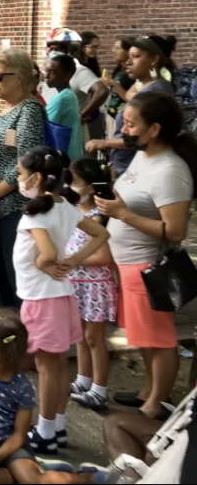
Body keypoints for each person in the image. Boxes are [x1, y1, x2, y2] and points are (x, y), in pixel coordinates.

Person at [95, 91, 197, 420]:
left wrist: (123, 215)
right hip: (128, 264)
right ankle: (147, 391)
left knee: (159, 338)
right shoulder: (144, 156)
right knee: (143, 337)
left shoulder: (171, 171)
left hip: (148, 267)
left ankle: (156, 402)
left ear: (154, 129)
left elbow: (176, 230)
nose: (124, 130)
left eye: (130, 124)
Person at [14, 146, 109, 454]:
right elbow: (100, 234)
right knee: (57, 368)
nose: (19, 179)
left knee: (46, 369)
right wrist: (75, 259)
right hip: (60, 296)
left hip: (42, 299)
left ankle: (44, 433)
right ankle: (56, 428)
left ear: (37, 177)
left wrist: (52, 262)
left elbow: (48, 254)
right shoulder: (67, 206)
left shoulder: (36, 213)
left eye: (21, 174)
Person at [0, 310, 93, 485]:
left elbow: (19, 434)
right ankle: (27, 473)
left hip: (12, 448)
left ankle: (85, 478)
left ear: (6, 349)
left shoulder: (22, 386)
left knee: (32, 480)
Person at [0, 48, 47, 308]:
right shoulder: (9, 109)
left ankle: (26, 341)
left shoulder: (29, 110)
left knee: (18, 282)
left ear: (21, 77)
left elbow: (25, 163)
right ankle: (10, 338)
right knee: (2, 280)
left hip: (15, 209)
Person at [63, 158, 118, 413]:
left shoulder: (96, 218)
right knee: (81, 338)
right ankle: (83, 381)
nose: (70, 187)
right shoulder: (76, 213)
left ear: (92, 187)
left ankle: (99, 390)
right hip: (78, 285)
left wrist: (71, 260)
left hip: (95, 287)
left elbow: (104, 257)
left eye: (75, 183)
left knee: (94, 339)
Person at [90, 34, 178, 176]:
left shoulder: (156, 92)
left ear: (154, 60)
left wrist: (106, 143)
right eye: (129, 56)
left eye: (136, 56)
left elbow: (145, 136)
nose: (128, 62)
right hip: (129, 170)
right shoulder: (145, 87)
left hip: (142, 173)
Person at [43, 29, 109, 145]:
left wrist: (82, 114)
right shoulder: (51, 69)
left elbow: (101, 90)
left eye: (55, 49)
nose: (50, 52)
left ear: (71, 49)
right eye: (49, 48)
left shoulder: (79, 71)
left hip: (69, 134)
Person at [43, 54, 85, 160]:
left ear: (67, 76)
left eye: (53, 72)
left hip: (63, 159)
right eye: (46, 71)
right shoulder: (69, 95)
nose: (46, 76)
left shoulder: (62, 99)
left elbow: (41, 127)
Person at [100, 39, 136, 136]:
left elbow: (128, 97)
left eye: (118, 48)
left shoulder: (132, 73)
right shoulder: (118, 70)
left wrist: (114, 83)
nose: (114, 51)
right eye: (114, 48)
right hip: (112, 114)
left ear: (128, 51)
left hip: (124, 117)